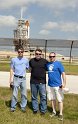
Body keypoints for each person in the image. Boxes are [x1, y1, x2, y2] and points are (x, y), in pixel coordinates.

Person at [46, 52, 66, 120]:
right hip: (50, 85)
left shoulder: (58, 64)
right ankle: (54, 112)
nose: (51, 58)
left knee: (60, 100)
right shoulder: (48, 64)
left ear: (55, 57)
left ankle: (60, 114)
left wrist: (64, 83)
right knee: (52, 99)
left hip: (58, 85)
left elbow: (63, 73)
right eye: (50, 56)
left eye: (53, 56)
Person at [9, 47, 29, 112]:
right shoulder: (13, 60)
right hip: (16, 78)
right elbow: (12, 69)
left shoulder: (26, 60)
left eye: (21, 52)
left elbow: (27, 68)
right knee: (15, 93)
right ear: (17, 52)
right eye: (19, 52)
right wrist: (10, 79)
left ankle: (23, 106)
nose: (20, 53)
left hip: (23, 79)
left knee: (24, 93)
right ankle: (13, 107)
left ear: (23, 52)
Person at [29, 49, 48, 114]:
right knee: (34, 96)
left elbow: (49, 69)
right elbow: (30, 69)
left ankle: (43, 110)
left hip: (42, 82)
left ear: (41, 54)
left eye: (39, 54)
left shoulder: (45, 61)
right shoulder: (31, 61)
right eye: (36, 54)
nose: (38, 55)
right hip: (33, 82)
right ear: (35, 54)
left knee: (43, 96)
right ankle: (35, 109)